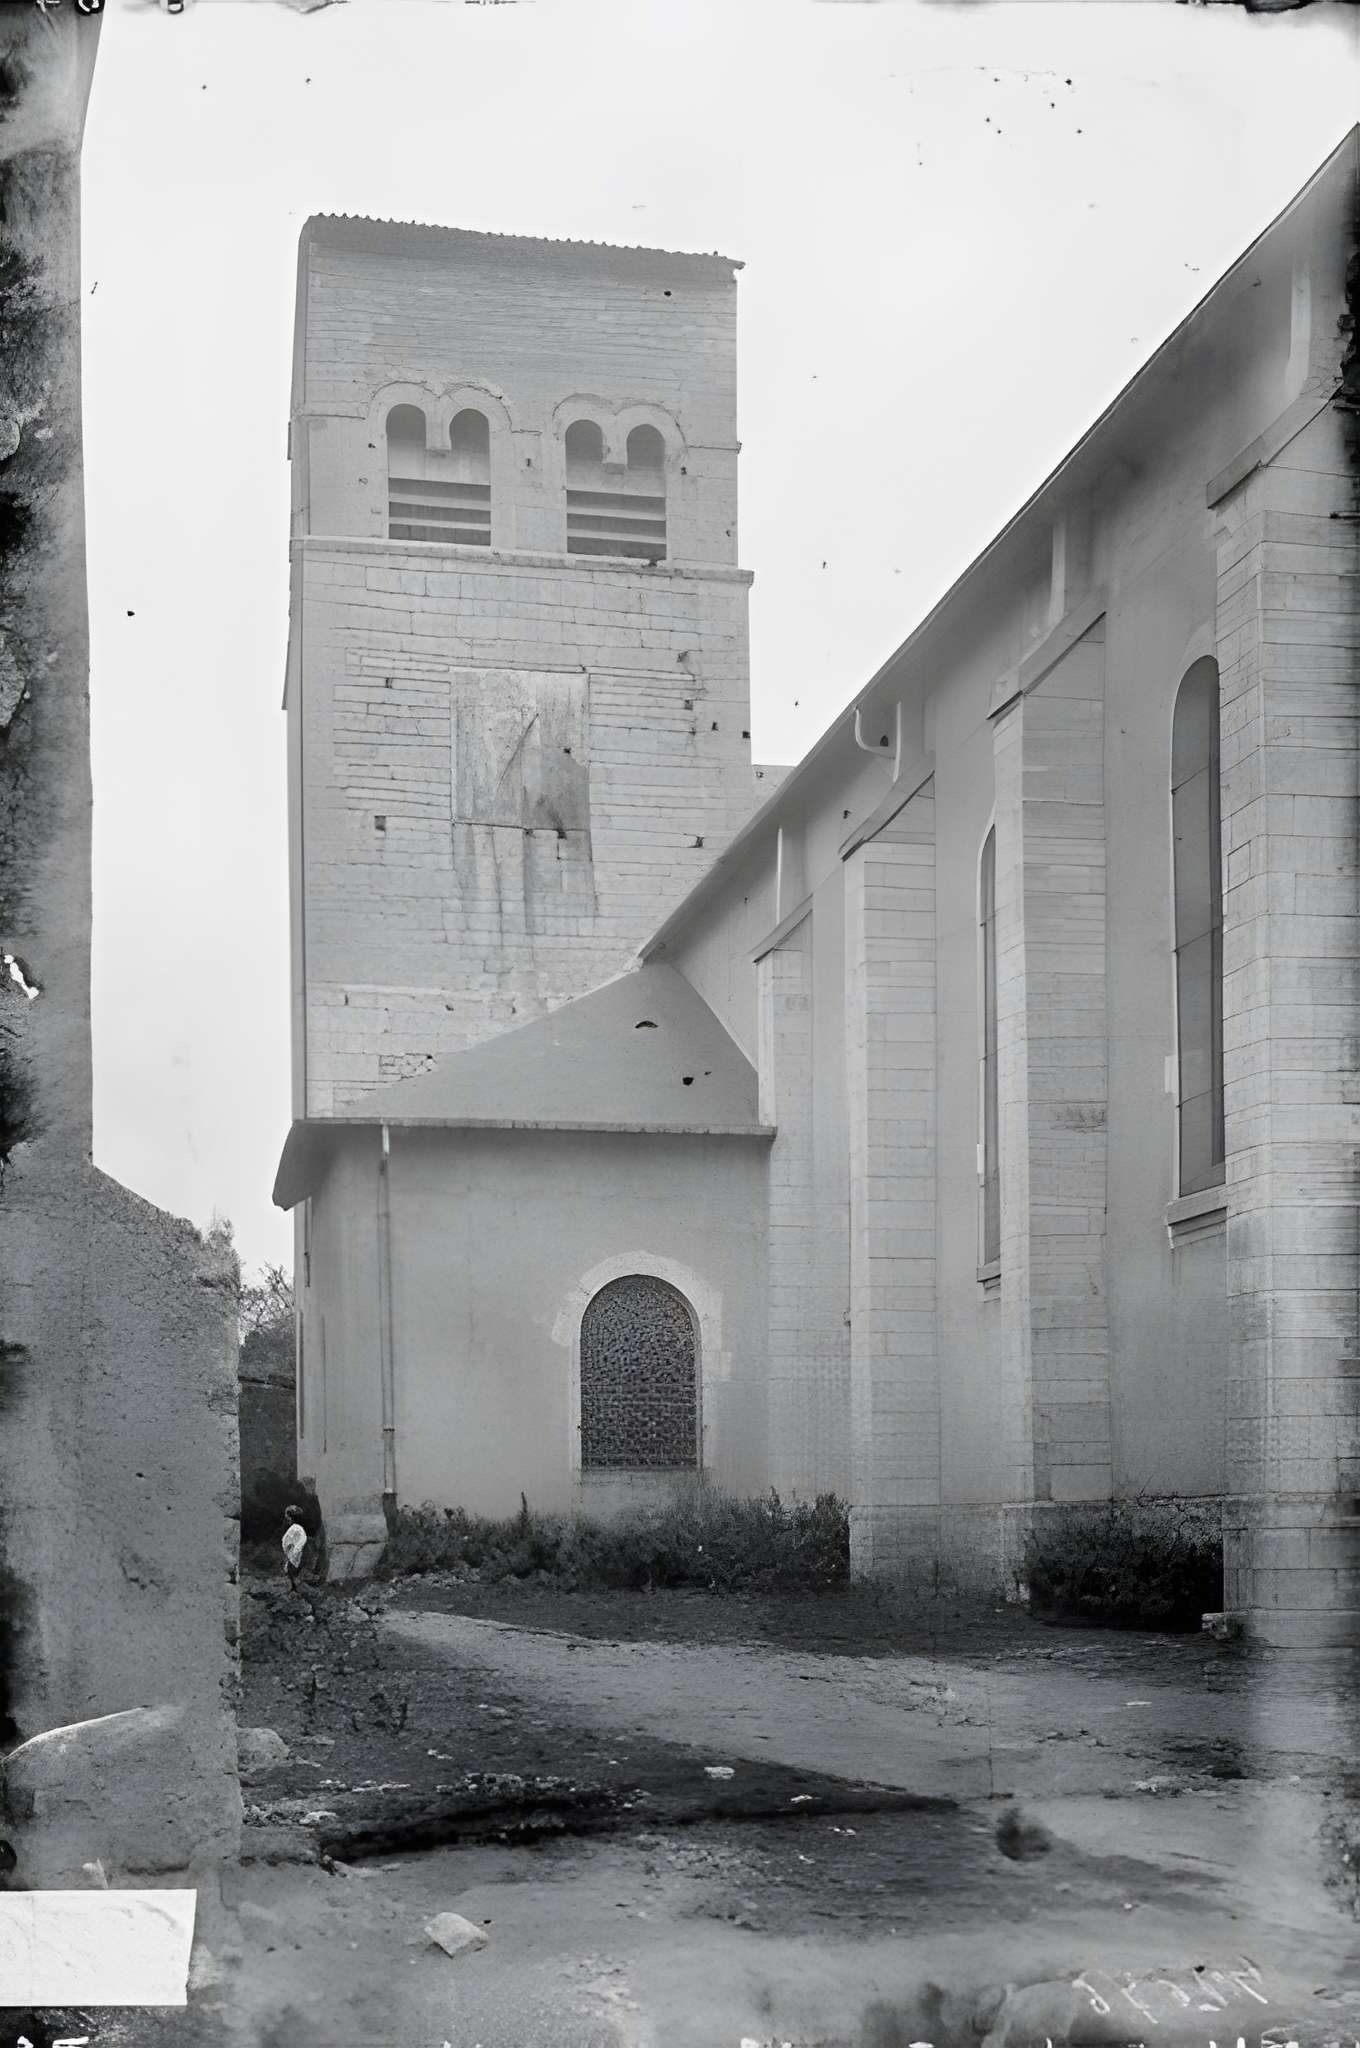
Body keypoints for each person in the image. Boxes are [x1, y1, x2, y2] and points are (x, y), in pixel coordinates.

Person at [282, 1504, 308, 1591]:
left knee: (291, 1574)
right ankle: (293, 1589)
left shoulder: (295, 1529)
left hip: (294, 1554)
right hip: (294, 1554)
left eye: (287, 1516)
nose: (286, 1518)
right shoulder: (298, 1529)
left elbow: (289, 1542)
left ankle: (294, 1590)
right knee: (291, 1575)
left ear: (291, 1517)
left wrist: (292, 1555)